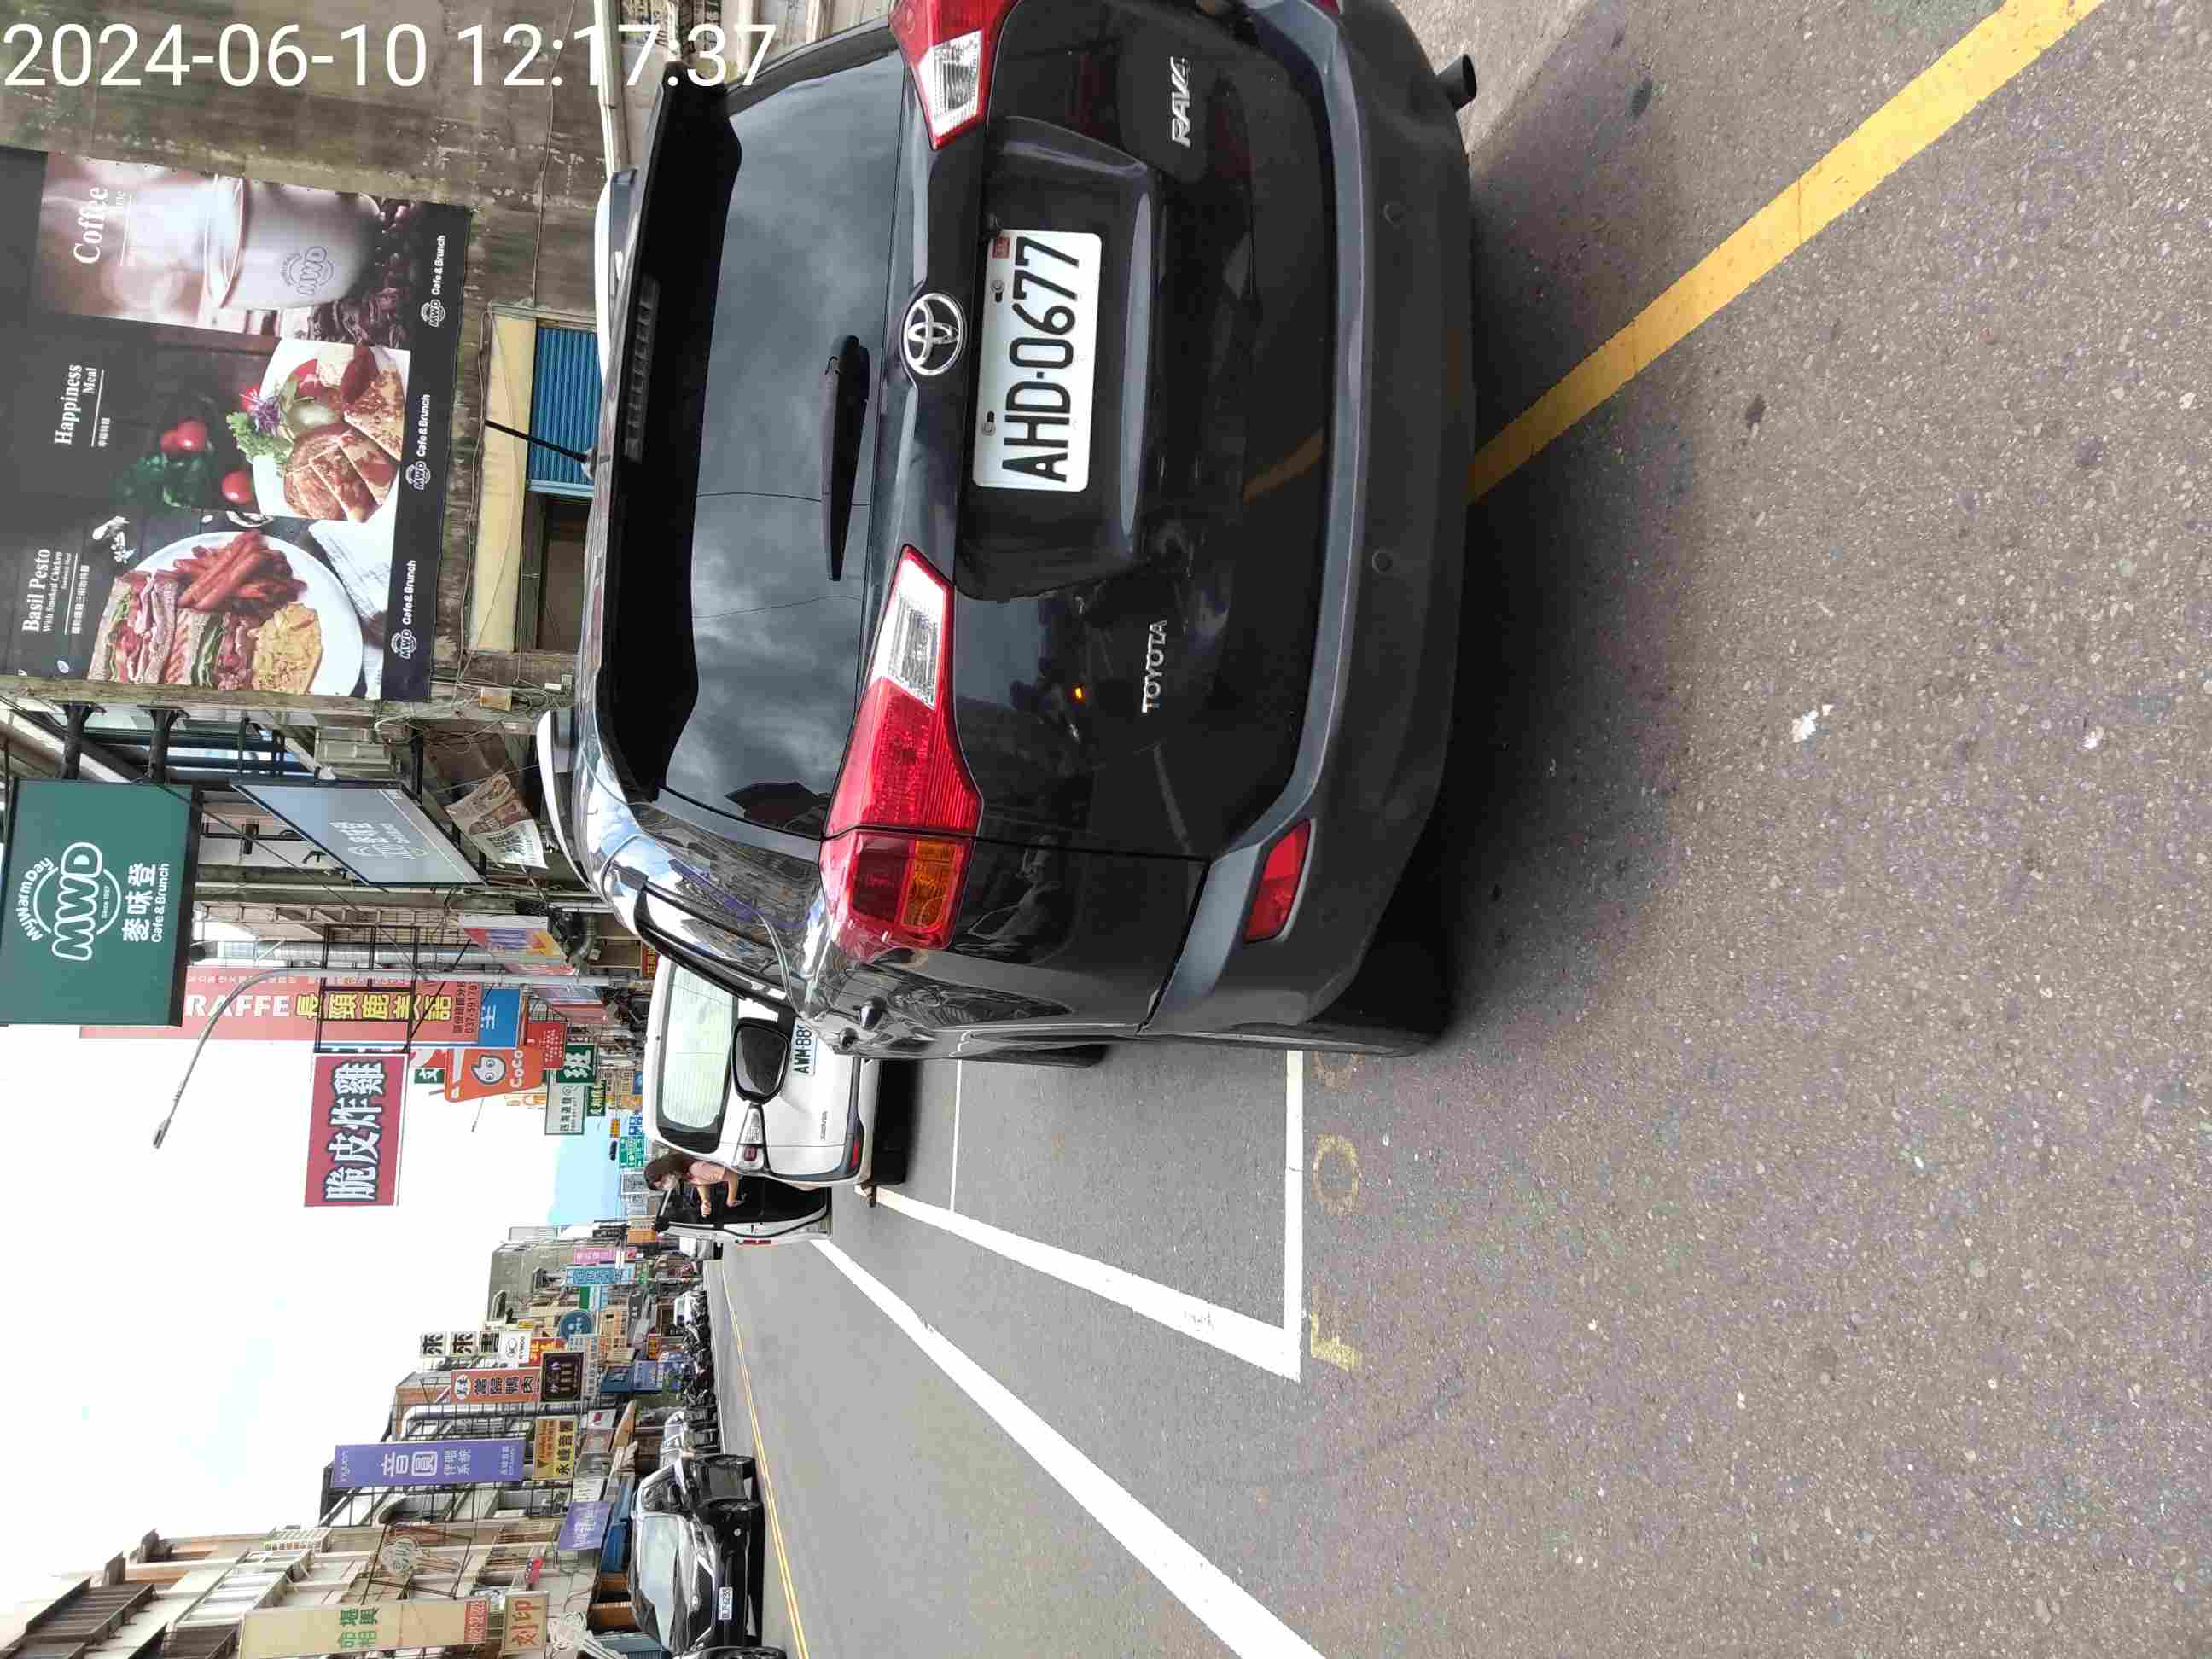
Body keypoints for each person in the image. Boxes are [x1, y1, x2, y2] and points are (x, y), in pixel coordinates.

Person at [643, 1150, 741, 1215]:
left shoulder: (697, 1169)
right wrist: (705, 1200)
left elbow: (733, 1176)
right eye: (662, 1187)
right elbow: (701, 1183)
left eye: (663, 1182)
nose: (665, 1186)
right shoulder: (684, 1173)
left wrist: (730, 1200)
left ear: (665, 1169)